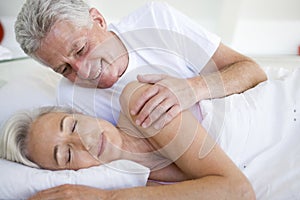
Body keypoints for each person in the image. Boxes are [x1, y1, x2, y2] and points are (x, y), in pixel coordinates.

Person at [14, 0, 267, 129]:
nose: (82, 71)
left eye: (81, 49)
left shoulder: (156, 19)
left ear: (98, 20)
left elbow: (252, 70)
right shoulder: (71, 98)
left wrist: (193, 88)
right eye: (64, 69)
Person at [0, 80, 256, 200]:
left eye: (73, 125)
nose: (82, 141)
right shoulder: (142, 188)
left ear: (80, 113)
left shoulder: (139, 104)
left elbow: (238, 191)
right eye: (66, 155)